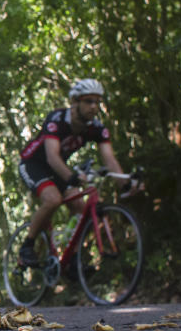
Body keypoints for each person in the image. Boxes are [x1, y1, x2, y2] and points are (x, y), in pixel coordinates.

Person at [17, 78, 139, 268]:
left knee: (81, 209)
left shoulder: (96, 128)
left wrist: (125, 183)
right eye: (88, 101)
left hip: (57, 168)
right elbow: (52, 157)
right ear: (75, 102)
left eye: (98, 102)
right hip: (34, 164)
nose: (94, 107)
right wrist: (71, 177)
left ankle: (71, 258)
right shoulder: (57, 119)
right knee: (53, 200)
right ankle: (27, 246)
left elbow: (110, 160)